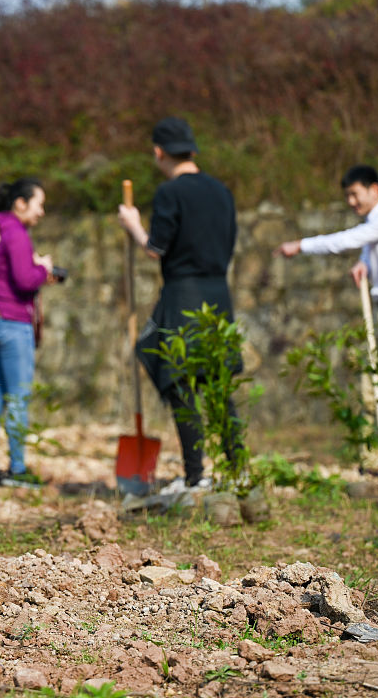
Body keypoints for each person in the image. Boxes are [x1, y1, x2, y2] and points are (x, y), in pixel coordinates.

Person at [274, 164, 378, 471]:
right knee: (368, 389)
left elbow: (349, 239)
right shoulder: (376, 223)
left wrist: (301, 245)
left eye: (355, 194)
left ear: (374, 190)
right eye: (347, 196)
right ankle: (371, 462)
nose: (351, 201)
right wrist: (364, 264)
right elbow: (370, 248)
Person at [116, 117, 239, 491]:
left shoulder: (170, 193)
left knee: (179, 381)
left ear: (159, 152)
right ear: (192, 150)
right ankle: (238, 470)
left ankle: (195, 475)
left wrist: (133, 224)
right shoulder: (222, 192)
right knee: (217, 384)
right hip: (218, 295)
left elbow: (156, 248)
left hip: (184, 293)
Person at [0, 178, 56, 488]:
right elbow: (24, 279)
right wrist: (43, 269)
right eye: (39, 204)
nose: (42, 212)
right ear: (20, 203)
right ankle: (17, 469)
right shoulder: (17, 232)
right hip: (13, 322)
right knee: (18, 397)